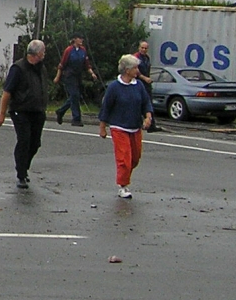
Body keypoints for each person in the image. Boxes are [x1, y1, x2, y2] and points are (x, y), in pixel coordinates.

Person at [0, 39, 48, 189]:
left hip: (38, 111)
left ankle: (24, 168)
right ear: (37, 53)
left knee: (35, 143)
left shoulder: (41, 68)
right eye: (43, 52)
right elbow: (7, 92)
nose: (44, 55)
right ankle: (21, 174)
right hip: (21, 110)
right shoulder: (18, 68)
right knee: (24, 141)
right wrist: (1, 113)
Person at [98, 54, 153, 199]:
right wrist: (102, 127)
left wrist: (148, 116)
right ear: (127, 70)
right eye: (135, 68)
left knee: (135, 158)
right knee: (124, 159)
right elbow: (106, 107)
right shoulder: (114, 87)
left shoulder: (138, 85)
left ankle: (125, 177)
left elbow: (146, 102)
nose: (137, 70)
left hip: (135, 127)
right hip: (119, 127)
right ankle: (123, 186)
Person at [54, 34, 98, 127]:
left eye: (82, 38)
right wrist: (57, 77)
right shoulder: (68, 50)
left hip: (78, 76)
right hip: (69, 76)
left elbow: (87, 64)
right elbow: (62, 64)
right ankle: (76, 118)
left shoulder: (83, 50)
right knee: (74, 95)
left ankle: (60, 111)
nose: (81, 40)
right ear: (75, 39)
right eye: (79, 38)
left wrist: (92, 73)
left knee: (75, 96)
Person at [134, 40, 160, 132]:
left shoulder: (147, 58)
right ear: (139, 48)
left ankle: (151, 125)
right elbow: (136, 71)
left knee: (149, 103)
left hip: (147, 84)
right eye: (142, 48)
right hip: (138, 83)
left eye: (145, 48)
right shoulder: (136, 57)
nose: (144, 50)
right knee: (138, 103)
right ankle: (138, 122)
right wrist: (144, 78)